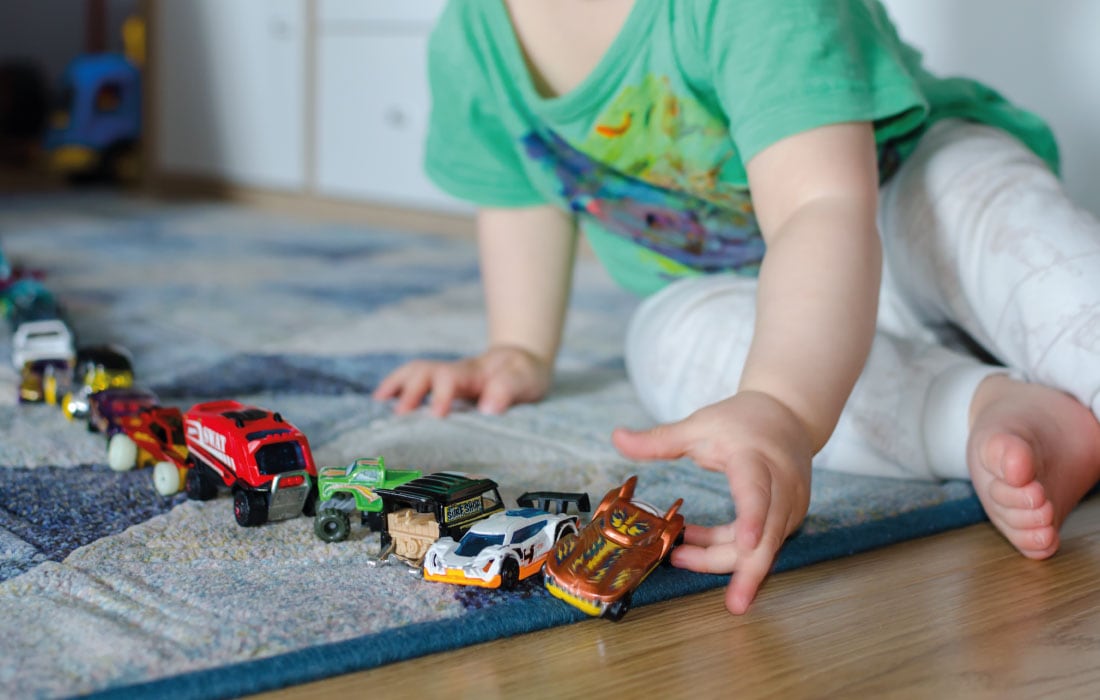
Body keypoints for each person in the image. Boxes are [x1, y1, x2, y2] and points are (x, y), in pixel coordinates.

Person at [373, 0, 1100, 614]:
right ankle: (986, 409)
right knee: (669, 344)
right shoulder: (474, 36)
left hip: (893, 209)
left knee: (983, 210)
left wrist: (784, 403)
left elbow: (822, 207)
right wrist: (520, 347)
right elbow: (524, 188)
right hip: (756, 301)